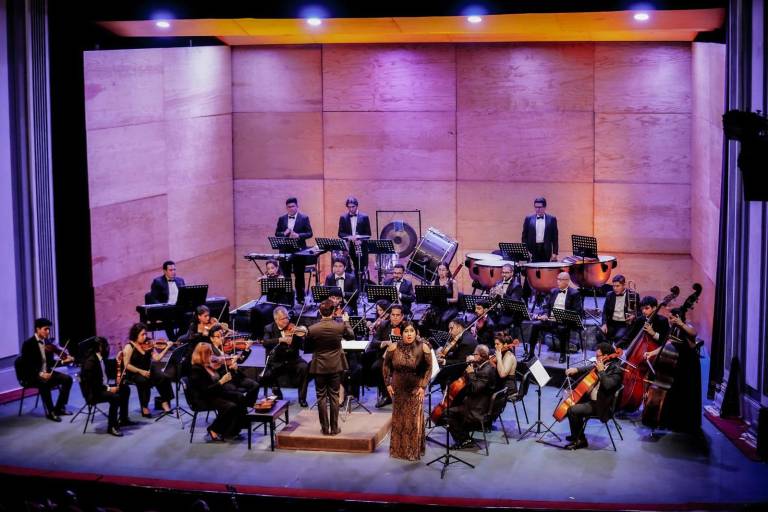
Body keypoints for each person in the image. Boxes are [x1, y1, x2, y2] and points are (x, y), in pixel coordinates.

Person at [644, 308, 702, 434]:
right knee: (674, 394)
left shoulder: (685, 327)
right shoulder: (673, 329)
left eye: (671, 318)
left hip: (687, 366)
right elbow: (665, 345)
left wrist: (681, 324)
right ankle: (670, 421)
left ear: (678, 318)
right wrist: (651, 353)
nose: (669, 321)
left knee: (685, 395)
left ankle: (684, 424)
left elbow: (694, 333)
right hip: (676, 364)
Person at [382, 322, 432, 461]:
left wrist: (422, 386)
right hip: (398, 388)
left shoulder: (424, 347)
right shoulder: (393, 347)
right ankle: (398, 451)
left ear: (416, 332)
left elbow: (428, 368)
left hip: (415, 388)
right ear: (401, 333)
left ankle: (413, 451)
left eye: (412, 331)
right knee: (399, 419)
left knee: (413, 420)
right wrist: (388, 383)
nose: (409, 334)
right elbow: (386, 365)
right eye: (406, 331)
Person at [303, 299, 354, 435]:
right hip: (336, 365)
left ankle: (325, 428)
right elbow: (351, 336)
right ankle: (334, 428)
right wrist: (346, 321)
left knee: (321, 397)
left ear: (320, 312)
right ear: (333, 312)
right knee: (334, 396)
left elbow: (306, 348)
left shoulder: (312, 329)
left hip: (319, 366)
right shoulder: (339, 326)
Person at [563, 342, 624, 450]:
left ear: (606, 356)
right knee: (569, 402)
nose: (595, 359)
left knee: (572, 410)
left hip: (602, 405)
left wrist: (601, 371)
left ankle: (581, 440)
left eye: (597, 356)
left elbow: (608, 385)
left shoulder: (617, 370)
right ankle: (576, 435)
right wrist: (576, 369)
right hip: (593, 400)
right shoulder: (604, 363)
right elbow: (590, 367)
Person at [187, 342, 247, 441]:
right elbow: (205, 390)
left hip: (215, 393)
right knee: (230, 406)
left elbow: (218, 379)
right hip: (204, 398)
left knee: (239, 397)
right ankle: (213, 429)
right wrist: (222, 381)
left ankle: (234, 429)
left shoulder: (208, 365)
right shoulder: (196, 370)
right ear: (202, 355)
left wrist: (231, 370)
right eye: (209, 354)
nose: (212, 356)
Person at [443, 344, 497, 449]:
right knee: (455, 404)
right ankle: (464, 433)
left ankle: (464, 440)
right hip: (479, 402)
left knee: (447, 412)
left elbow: (475, 388)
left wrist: (471, 373)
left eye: (475, 354)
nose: (473, 356)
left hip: (477, 408)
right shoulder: (485, 366)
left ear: (481, 355)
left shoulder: (486, 371)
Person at [19, 318, 74, 422]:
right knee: (44, 382)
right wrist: (40, 373)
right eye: (45, 329)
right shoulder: (28, 344)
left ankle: (59, 408)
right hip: (32, 375)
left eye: (49, 329)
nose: (48, 332)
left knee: (68, 379)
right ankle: (50, 412)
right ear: (38, 329)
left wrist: (63, 361)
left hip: (46, 372)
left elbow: (51, 363)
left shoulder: (48, 343)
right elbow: (26, 365)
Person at [79, 337, 135, 436]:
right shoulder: (90, 363)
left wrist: (118, 359)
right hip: (93, 393)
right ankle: (112, 426)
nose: (107, 348)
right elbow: (93, 385)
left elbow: (109, 366)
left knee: (125, 389)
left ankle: (123, 419)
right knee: (115, 397)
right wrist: (109, 389)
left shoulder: (99, 358)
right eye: (105, 346)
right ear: (99, 347)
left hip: (101, 387)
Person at [526, 272, 583, 364]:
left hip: (566, 321)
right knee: (535, 325)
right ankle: (531, 353)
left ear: (567, 281)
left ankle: (563, 354)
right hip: (551, 320)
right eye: (557, 279)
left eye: (560, 280)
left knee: (562, 329)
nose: (557, 281)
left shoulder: (574, 293)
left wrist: (562, 316)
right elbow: (547, 307)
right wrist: (545, 314)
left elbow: (576, 312)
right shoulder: (554, 291)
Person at [122, 323, 174, 418]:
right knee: (143, 381)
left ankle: (165, 403)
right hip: (134, 372)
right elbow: (126, 365)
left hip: (148, 369)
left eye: (145, 334)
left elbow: (157, 358)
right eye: (142, 334)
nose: (145, 336)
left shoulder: (148, 343)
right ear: (135, 334)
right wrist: (141, 371)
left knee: (163, 376)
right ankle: (144, 407)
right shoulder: (129, 347)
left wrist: (167, 347)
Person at [261, 306, 310, 407]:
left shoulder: (293, 327)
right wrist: (280, 339)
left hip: (293, 359)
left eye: (287, 317)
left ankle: (302, 398)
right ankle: (278, 396)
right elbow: (265, 343)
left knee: (304, 367)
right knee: (268, 373)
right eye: (284, 318)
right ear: (276, 319)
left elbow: (301, 347)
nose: (287, 320)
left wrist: (302, 337)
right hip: (277, 360)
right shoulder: (269, 328)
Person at [208, 324, 260, 405]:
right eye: (218, 336)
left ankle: (249, 405)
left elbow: (240, 360)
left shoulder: (225, 347)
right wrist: (230, 366)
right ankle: (243, 407)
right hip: (225, 380)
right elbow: (214, 369)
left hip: (236, 376)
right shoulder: (209, 351)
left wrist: (246, 349)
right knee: (236, 393)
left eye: (222, 335)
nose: (222, 338)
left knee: (255, 385)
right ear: (212, 338)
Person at [275, 197, 313, 303]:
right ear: (286, 208)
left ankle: (300, 298)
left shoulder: (304, 218)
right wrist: (284, 233)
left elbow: (310, 233)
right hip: (285, 251)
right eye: (288, 207)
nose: (291, 208)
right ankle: (288, 299)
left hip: (299, 251)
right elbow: (277, 233)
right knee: (286, 276)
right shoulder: (282, 219)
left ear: (297, 206)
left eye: (293, 206)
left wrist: (298, 235)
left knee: (299, 275)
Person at [370, 304, 406, 407]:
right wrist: (385, 343)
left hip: (403, 358)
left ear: (402, 316)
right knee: (376, 367)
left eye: (397, 315)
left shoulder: (407, 326)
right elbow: (374, 342)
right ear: (389, 316)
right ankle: (386, 395)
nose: (395, 317)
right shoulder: (383, 325)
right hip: (387, 358)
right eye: (393, 315)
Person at [250, 259, 292, 339]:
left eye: (272, 268)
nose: (270, 270)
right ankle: (256, 334)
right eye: (268, 269)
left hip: (279, 303)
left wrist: (268, 280)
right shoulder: (267, 278)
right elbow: (264, 293)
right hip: (269, 302)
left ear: (277, 268)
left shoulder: (281, 278)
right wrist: (262, 282)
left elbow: (284, 293)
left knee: (264, 312)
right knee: (254, 310)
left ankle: (266, 334)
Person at [597, 275, 640, 345]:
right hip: (612, 323)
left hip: (624, 324)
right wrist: (604, 324)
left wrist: (634, 316)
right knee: (599, 334)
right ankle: (608, 349)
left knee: (618, 337)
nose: (615, 288)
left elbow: (639, 312)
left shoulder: (633, 295)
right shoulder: (609, 295)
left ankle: (614, 350)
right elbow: (605, 311)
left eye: (617, 286)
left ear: (624, 285)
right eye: (613, 286)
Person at [337, 196, 372, 282]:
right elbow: (340, 233)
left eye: (353, 207)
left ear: (357, 206)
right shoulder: (343, 217)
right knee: (353, 267)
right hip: (350, 247)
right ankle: (355, 288)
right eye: (349, 207)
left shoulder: (364, 217)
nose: (351, 209)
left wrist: (360, 240)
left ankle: (363, 288)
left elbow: (368, 234)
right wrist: (348, 237)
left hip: (361, 246)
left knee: (362, 268)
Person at [421, 262, 459, 333]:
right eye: (439, 270)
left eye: (443, 270)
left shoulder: (453, 282)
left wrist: (446, 300)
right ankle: (430, 337)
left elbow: (455, 299)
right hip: (437, 307)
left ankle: (443, 338)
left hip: (449, 307)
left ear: (447, 271)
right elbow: (431, 297)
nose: (441, 272)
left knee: (443, 319)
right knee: (425, 319)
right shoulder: (433, 283)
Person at [521, 197, 559, 263]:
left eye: (540, 207)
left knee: (545, 269)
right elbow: (524, 237)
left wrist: (555, 253)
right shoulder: (528, 218)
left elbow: (555, 237)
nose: (537, 209)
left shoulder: (552, 219)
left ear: (544, 207)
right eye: (536, 207)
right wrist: (526, 251)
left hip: (546, 249)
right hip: (532, 249)